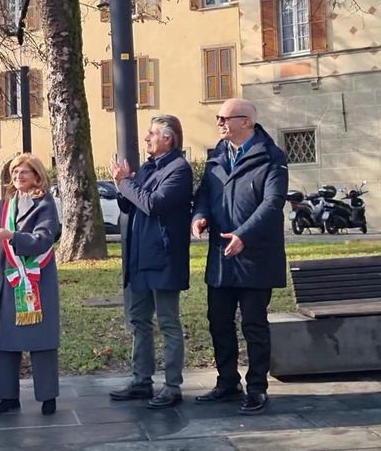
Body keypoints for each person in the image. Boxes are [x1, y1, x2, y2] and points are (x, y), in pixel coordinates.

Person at [192, 98, 287, 415]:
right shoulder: (216, 156)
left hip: (256, 256)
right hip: (221, 255)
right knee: (218, 321)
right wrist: (200, 216)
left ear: (246, 121)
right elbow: (204, 194)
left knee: (254, 324)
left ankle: (257, 387)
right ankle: (227, 382)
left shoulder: (272, 157)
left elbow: (272, 204)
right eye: (217, 117)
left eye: (224, 118)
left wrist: (243, 235)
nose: (219, 122)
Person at [108, 115, 193, 409]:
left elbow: (153, 204)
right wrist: (124, 184)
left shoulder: (179, 169)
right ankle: (142, 381)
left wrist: (126, 183)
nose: (146, 139)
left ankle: (172, 386)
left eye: (152, 134)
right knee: (138, 321)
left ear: (168, 138)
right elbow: (129, 203)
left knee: (168, 322)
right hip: (139, 257)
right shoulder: (147, 168)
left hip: (164, 258)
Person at [0, 153, 60, 416]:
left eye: (24, 172)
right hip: (8, 278)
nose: (18, 176)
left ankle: (48, 396)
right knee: (6, 338)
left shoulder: (45, 204)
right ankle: (7, 396)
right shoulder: (3, 205)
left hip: (36, 279)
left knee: (40, 339)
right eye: (15, 171)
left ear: (37, 175)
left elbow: (43, 239)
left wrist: (13, 236)